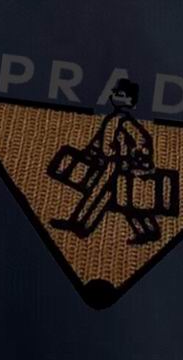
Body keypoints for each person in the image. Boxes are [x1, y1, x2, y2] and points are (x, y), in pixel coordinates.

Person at [50, 78, 163, 245]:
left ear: (130, 100)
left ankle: (149, 231)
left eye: (120, 95)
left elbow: (142, 142)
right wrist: (91, 151)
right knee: (103, 197)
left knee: (128, 202)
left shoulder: (126, 122)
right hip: (111, 165)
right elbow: (102, 139)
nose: (115, 97)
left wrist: (136, 158)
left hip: (122, 167)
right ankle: (79, 224)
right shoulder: (112, 119)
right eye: (115, 93)